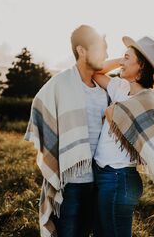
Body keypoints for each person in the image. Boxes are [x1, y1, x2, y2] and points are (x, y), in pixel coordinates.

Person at [92, 36, 154, 237]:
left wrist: (113, 112)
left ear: (141, 66)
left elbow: (112, 113)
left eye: (127, 58)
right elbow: (95, 71)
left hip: (119, 180)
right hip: (104, 176)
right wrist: (126, 58)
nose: (121, 62)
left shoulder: (146, 99)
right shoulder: (119, 86)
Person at [24, 24, 111, 237]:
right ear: (81, 51)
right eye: (101, 48)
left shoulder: (104, 88)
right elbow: (38, 106)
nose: (107, 54)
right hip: (70, 184)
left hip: (98, 180)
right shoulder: (61, 83)